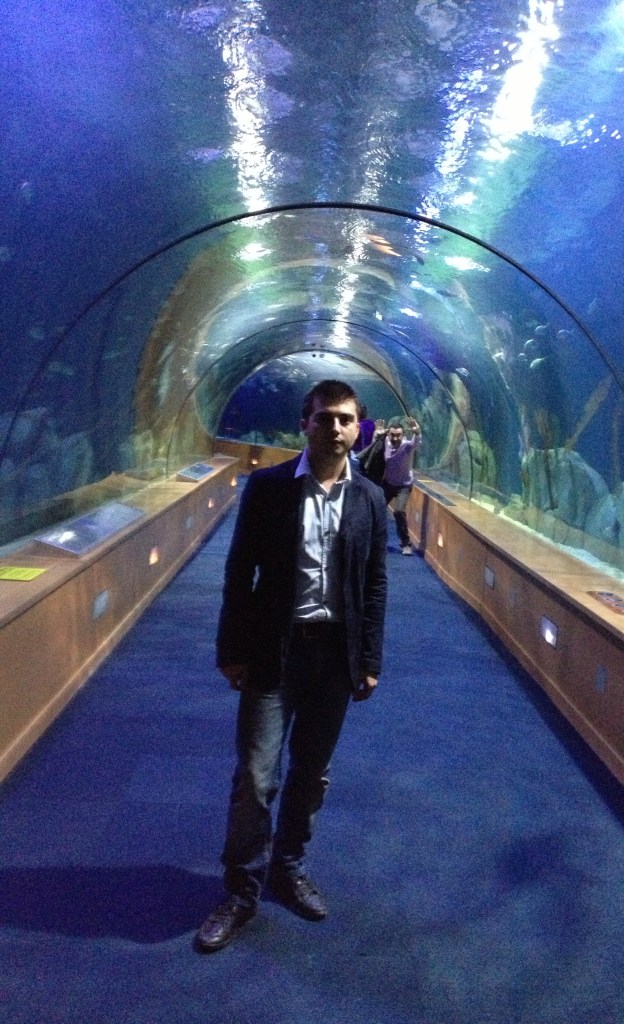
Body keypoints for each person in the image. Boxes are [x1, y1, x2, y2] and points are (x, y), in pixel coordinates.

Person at [196, 379, 388, 953]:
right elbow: (239, 571)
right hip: (274, 649)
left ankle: (289, 866)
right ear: (304, 424)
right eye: (324, 417)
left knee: (311, 773)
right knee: (256, 778)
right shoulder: (268, 487)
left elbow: (374, 585)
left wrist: (369, 658)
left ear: (358, 428)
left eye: (345, 419)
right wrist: (231, 649)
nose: (335, 428)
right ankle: (241, 890)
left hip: (335, 656)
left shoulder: (370, 498)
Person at [381, 416, 421, 555]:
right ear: (388, 434)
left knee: (398, 511)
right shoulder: (385, 443)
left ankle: (405, 543)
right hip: (388, 484)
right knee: (376, 509)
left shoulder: (407, 446)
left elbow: (416, 442)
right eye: (392, 435)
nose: (395, 438)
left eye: (398, 435)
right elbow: (373, 447)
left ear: (403, 435)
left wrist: (416, 432)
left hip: (403, 486)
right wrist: (377, 435)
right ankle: (376, 540)